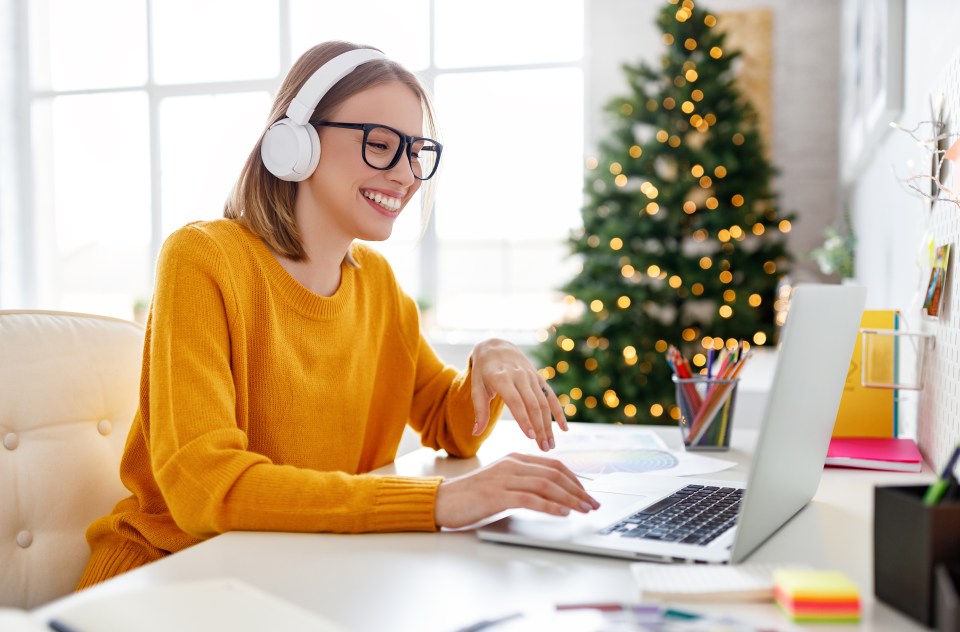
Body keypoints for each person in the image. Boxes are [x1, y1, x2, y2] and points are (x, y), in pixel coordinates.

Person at [77, 40, 599, 590]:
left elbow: (451, 428)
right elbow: (206, 485)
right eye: (380, 144)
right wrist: (438, 501)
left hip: (305, 575)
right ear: (293, 143)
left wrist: (487, 362)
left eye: (417, 150)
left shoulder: (375, 283)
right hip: (170, 581)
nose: (406, 174)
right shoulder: (204, 259)